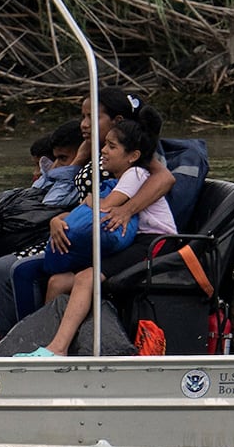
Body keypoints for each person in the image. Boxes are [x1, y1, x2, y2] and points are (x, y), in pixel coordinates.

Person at [10, 117, 168, 358]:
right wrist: (57, 220)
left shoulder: (135, 174)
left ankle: (59, 348)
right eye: (105, 145)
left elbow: (104, 207)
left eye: (112, 147)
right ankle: (44, 343)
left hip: (154, 243)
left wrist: (90, 200)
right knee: (58, 282)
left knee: (86, 277)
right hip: (131, 241)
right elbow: (87, 210)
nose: (103, 150)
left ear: (133, 156)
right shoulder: (117, 179)